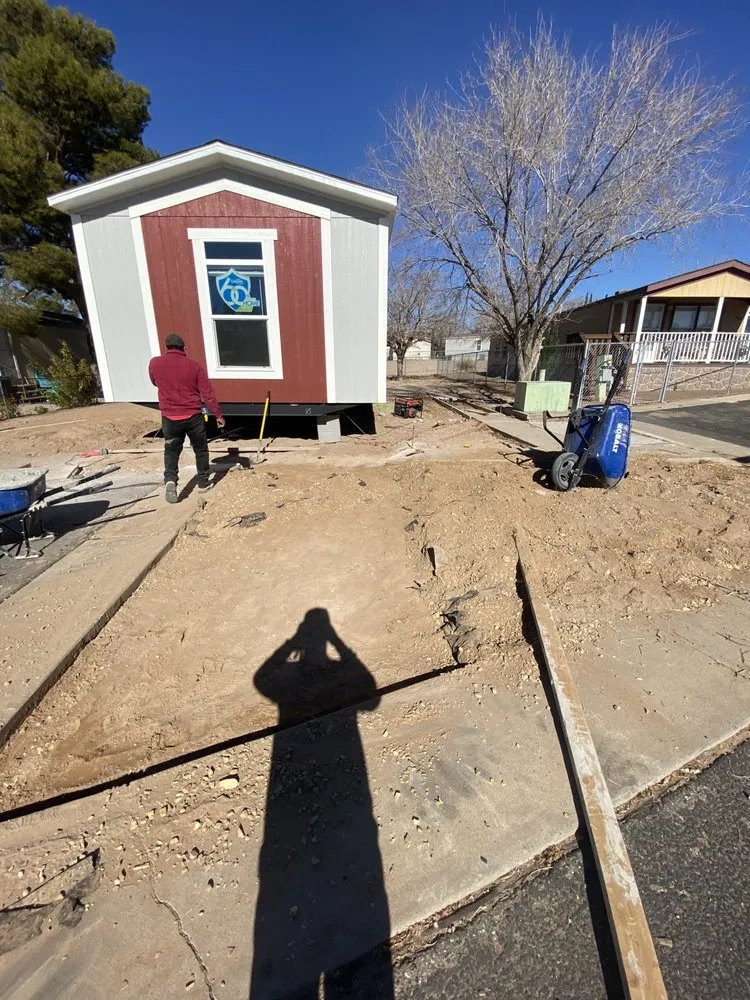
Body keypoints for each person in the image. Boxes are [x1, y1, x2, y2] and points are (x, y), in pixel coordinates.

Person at [148, 334, 225, 503]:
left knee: (172, 450)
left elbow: (155, 382)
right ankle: (203, 483)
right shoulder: (194, 367)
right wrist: (218, 415)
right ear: (184, 349)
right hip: (193, 416)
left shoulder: (155, 363)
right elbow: (207, 393)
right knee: (200, 449)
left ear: (167, 347)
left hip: (169, 417)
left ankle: (170, 480)